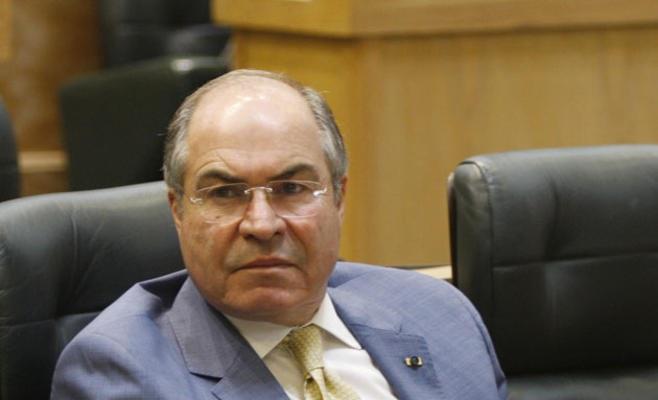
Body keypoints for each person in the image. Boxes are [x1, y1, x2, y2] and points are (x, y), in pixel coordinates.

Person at [51, 69, 507, 399]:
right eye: (225, 193)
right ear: (178, 211)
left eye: (291, 188)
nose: (262, 224)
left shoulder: (437, 312)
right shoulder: (120, 371)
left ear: (339, 199)